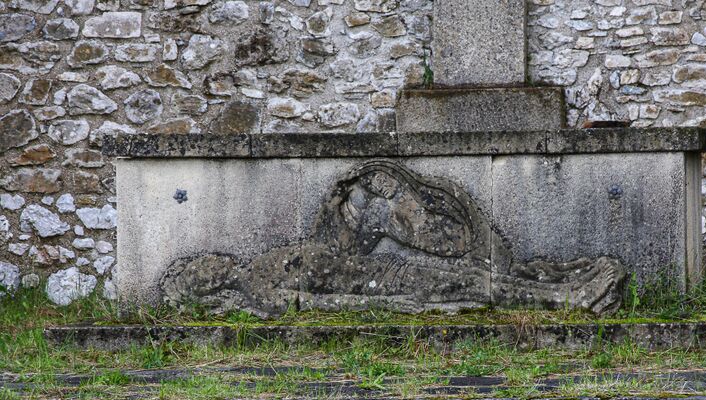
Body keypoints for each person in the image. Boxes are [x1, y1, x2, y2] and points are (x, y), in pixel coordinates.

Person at [161, 160, 626, 316]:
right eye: (198, 271)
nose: (207, 261)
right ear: (207, 288)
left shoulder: (256, 267)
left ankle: (556, 285)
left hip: (375, 270)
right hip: (378, 283)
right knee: (468, 286)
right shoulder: (257, 291)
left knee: (467, 276)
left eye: (197, 261)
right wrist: (392, 304)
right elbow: (326, 305)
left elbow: (330, 251)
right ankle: (565, 299)